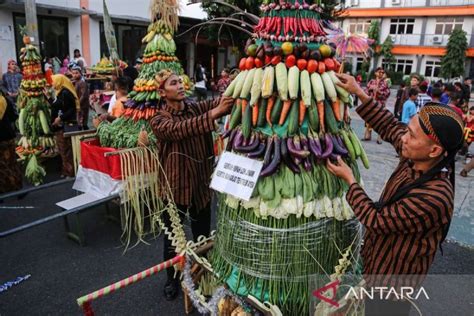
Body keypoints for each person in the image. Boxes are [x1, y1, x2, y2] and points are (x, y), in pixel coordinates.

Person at [328, 73, 464, 316]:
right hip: (373, 268)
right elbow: (391, 127)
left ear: (434, 150)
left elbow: (375, 219)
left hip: (392, 286)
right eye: (408, 129)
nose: (403, 138)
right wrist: (359, 93)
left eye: (411, 135)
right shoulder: (417, 159)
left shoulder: (434, 197)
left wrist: (350, 180)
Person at [149, 69, 234, 301]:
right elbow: (179, 130)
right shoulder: (158, 120)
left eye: (181, 82)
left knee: (202, 236)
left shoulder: (194, 107)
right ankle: (171, 279)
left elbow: (218, 102)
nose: (180, 86)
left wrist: (236, 88)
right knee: (173, 239)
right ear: (162, 92)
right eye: (173, 83)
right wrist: (215, 113)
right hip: (175, 187)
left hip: (200, 185)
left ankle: (202, 277)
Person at [44, 74, 79, 178]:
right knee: (63, 150)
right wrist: (49, 98)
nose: (52, 84)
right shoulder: (60, 92)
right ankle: (66, 171)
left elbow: (71, 110)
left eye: (54, 81)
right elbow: (58, 105)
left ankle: (70, 172)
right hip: (60, 126)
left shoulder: (65, 93)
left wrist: (60, 118)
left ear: (59, 81)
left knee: (66, 150)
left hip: (64, 126)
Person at [0, 89, 22, 193]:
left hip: (1, 138)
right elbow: (14, 116)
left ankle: (5, 188)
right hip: (9, 135)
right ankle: (17, 187)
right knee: (12, 162)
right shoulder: (5, 100)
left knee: (2, 165)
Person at [363, 67, 390, 144]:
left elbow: (387, 94)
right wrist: (370, 90)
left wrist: (379, 92)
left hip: (380, 105)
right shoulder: (371, 82)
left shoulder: (385, 83)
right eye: (379, 72)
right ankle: (368, 136)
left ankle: (379, 138)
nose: (381, 73)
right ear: (375, 73)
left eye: (382, 72)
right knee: (369, 120)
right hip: (371, 104)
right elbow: (366, 91)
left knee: (380, 121)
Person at [71, 66, 90, 130]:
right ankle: (81, 126)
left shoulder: (82, 82)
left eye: (76, 73)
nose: (75, 75)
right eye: (73, 73)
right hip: (78, 102)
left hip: (83, 103)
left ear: (80, 73)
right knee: (79, 116)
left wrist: (78, 103)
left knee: (83, 116)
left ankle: (83, 127)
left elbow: (84, 95)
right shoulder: (75, 81)